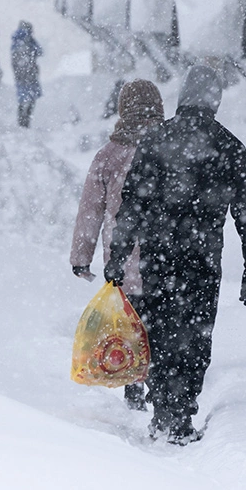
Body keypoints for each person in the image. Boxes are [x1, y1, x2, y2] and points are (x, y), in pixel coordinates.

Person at [106, 65, 246, 444]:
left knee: (158, 331)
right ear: (215, 100)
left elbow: (132, 206)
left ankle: (162, 406)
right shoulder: (229, 146)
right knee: (194, 335)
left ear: (182, 96)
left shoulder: (154, 141)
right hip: (202, 260)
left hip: (158, 258)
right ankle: (181, 412)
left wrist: (118, 256)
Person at [70, 80, 165, 412]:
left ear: (124, 109)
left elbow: (91, 210)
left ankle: (132, 388)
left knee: (127, 329)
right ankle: (160, 391)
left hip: (122, 262)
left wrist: (81, 257)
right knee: (160, 328)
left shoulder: (108, 156)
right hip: (165, 260)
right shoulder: (170, 147)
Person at [10, 21, 43, 127]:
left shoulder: (16, 42)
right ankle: (25, 122)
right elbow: (40, 51)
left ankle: (22, 122)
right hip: (29, 75)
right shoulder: (27, 42)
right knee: (30, 99)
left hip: (21, 76)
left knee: (23, 99)